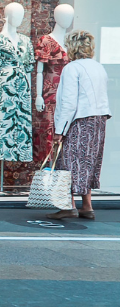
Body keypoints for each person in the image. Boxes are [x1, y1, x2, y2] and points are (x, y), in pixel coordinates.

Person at [49, 30, 110, 221]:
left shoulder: (72, 68)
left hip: (79, 120)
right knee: (88, 162)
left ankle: (67, 206)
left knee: (68, 162)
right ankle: (87, 206)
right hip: (98, 120)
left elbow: (68, 102)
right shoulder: (98, 67)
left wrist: (60, 130)